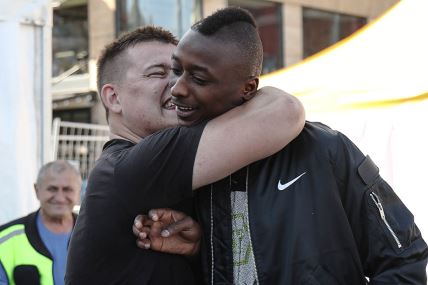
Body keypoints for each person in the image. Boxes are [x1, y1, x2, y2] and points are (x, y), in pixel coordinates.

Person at [134, 7, 428, 284]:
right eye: (176, 70)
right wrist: (199, 248)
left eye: (198, 78)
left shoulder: (324, 151)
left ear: (247, 89)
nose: (178, 88)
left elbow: (404, 260)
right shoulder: (180, 161)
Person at [65, 25, 305, 284]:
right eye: (157, 73)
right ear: (113, 98)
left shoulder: (133, 171)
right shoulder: (129, 168)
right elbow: (286, 112)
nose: (178, 84)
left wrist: (196, 249)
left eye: (181, 72)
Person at [0, 160, 81, 285]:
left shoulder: (97, 236)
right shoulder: (4, 239)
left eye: (67, 189)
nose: (60, 198)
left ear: (78, 192)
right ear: (37, 190)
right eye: (52, 189)